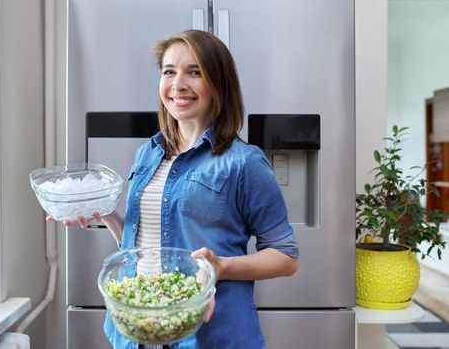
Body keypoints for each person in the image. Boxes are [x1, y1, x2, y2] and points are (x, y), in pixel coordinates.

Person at [52, 30, 299, 349]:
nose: (178, 84)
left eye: (194, 72)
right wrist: (108, 216)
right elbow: (148, 240)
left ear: (218, 83)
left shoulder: (244, 163)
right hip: (138, 332)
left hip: (211, 335)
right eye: (169, 71)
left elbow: (286, 257)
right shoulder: (148, 154)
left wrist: (221, 267)